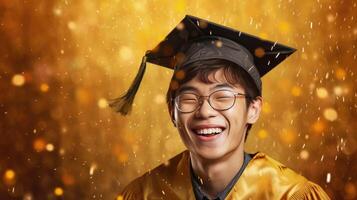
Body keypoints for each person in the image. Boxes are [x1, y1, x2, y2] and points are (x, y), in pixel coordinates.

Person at [111, 15, 330, 200]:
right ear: (172, 111)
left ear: (253, 109)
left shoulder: (291, 195)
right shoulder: (144, 194)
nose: (205, 111)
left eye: (223, 97)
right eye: (189, 97)